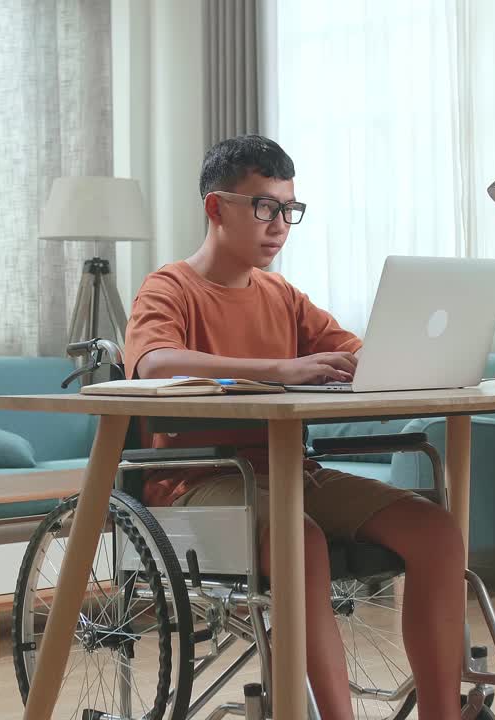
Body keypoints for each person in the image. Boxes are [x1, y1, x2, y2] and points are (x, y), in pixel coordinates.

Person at [122, 134, 466, 720]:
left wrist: (396, 360)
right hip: (199, 483)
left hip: (290, 472)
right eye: (265, 207)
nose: (280, 223)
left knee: (435, 531)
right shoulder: (170, 287)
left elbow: (358, 350)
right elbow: (154, 364)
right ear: (215, 207)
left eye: (289, 209)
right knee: (299, 537)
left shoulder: (282, 294)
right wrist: (280, 369)